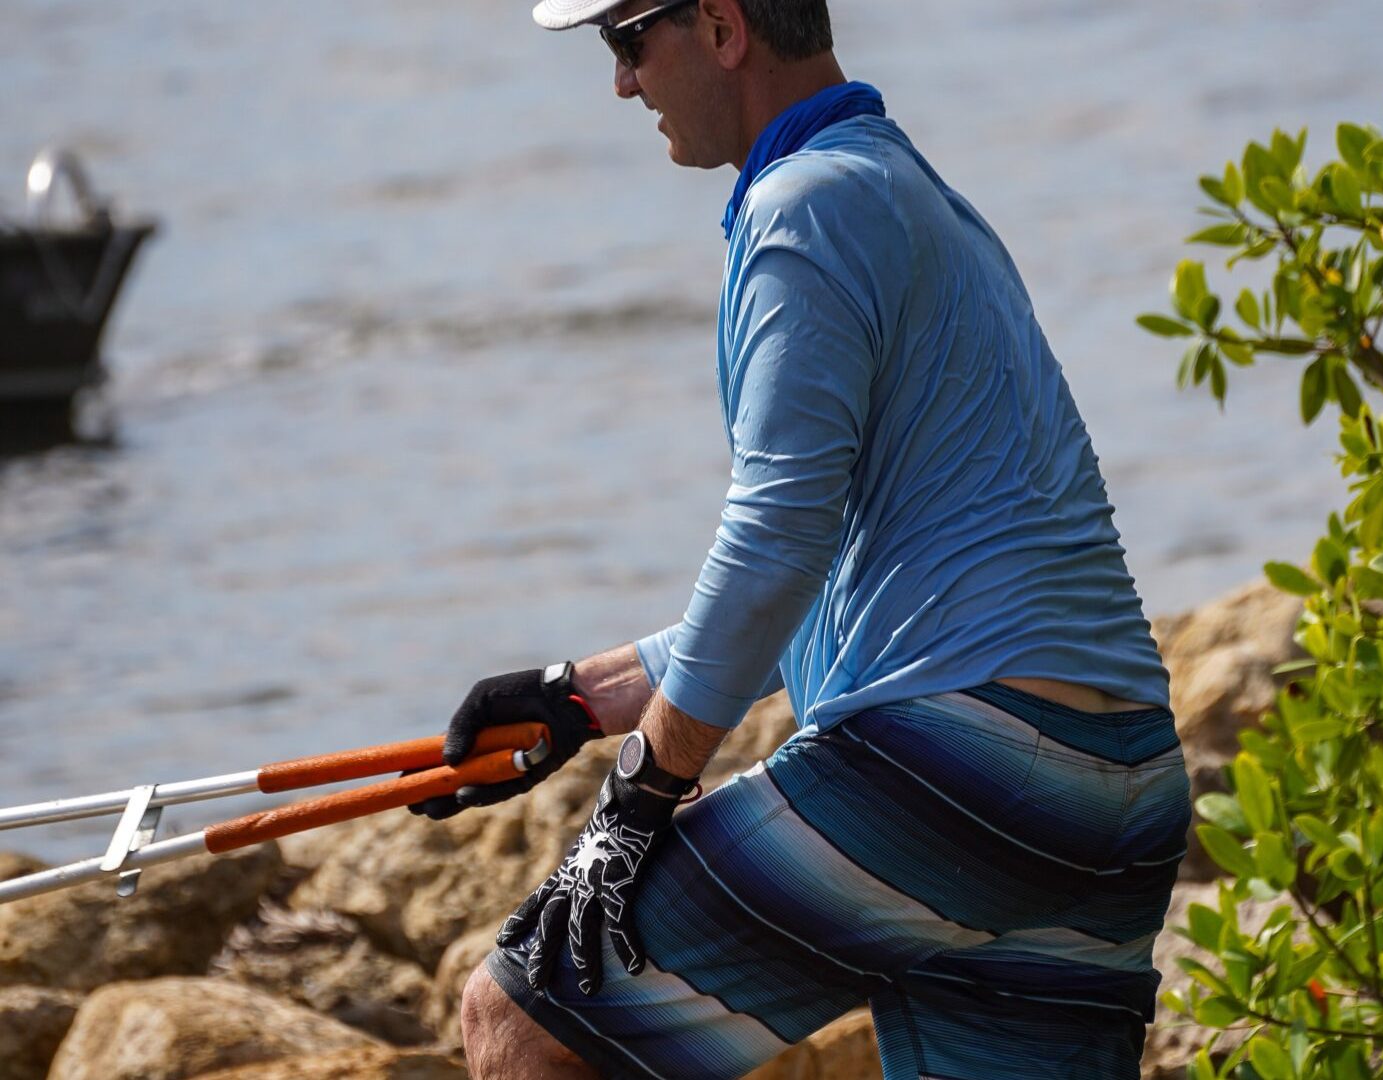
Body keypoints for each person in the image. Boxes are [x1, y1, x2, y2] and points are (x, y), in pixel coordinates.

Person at [411, 1, 1192, 1076]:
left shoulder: (801, 204)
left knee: (524, 1020)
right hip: (1123, 786)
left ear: (723, 25)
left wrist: (641, 797)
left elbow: (778, 535)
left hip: (964, 767)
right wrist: (584, 694)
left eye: (625, 42)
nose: (623, 85)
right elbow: (850, 581)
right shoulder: (911, 195)